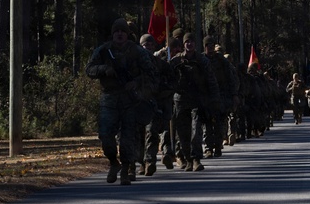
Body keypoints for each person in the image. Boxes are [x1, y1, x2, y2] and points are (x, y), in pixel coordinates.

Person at [85, 18, 157, 185]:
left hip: (129, 100)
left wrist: (137, 83)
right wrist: (104, 69)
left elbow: (151, 73)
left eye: (123, 31)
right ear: (113, 34)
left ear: (127, 34)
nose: (119, 34)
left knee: (127, 138)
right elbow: (89, 69)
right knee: (105, 136)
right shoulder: (103, 51)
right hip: (109, 99)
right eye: (117, 31)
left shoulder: (138, 52)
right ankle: (113, 162)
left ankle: (125, 169)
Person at [171, 32, 222, 172]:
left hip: (198, 100)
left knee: (196, 130)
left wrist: (214, 100)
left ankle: (196, 158)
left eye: (192, 41)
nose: (190, 44)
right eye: (187, 42)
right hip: (180, 101)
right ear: (183, 44)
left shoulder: (202, 61)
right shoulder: (176, 61)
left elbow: (211, 81)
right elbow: (168, 79)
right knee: (182, 133)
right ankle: (187, 158)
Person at [139, 33, 176, 174]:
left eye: (149, 44)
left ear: (154, 46)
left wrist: (163, 92)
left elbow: (172, 82)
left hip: (155, 103)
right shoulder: (135, 64)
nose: (147, 47)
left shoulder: (161, 65)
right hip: (137, 103)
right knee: (138, 136)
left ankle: (150, 161)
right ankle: (139, 162)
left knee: (152, 132)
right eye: (144, 45)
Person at [203, 36, 238, 159]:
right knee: (207, 124)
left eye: (212, 45)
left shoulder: (222, 61)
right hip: (206, 97)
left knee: (219, 123)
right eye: (208, 45)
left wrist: (234, 95)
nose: (210, 48)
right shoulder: (201, 60)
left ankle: (217, 146)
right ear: (205, 47)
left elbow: (230, 78)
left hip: (220, 96)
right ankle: (208, 148)